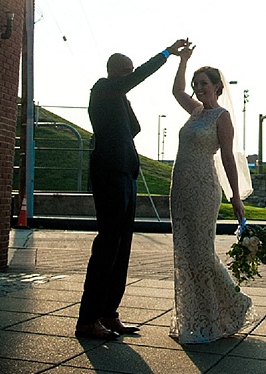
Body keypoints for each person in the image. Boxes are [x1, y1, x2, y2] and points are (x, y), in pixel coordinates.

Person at [76, 40, 188, 341]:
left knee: (122, 245)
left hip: (127, 174)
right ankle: (87, 318)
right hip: (109, 173)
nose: (131, 75)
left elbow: (134, 127)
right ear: (114, 72)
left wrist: (122, 103)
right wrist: (167, 53)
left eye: (131, 71)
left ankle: (109, 313)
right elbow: (135, 80)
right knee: (108, 243)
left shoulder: (118, 97)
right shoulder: (102, 89)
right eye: (126, 71)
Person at [169, 44, 257, 344]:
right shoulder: (194, 112)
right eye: (197, 85)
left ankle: (230, 308)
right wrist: (183, 61)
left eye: (204, 84)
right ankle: (194, 317)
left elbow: (229, 158)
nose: (198, 88)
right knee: (185, 253)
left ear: (217, 87)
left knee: (202, 253)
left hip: (204, 188)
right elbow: (176, 90)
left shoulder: (221, 117)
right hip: (180, 188)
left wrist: (235, 196)